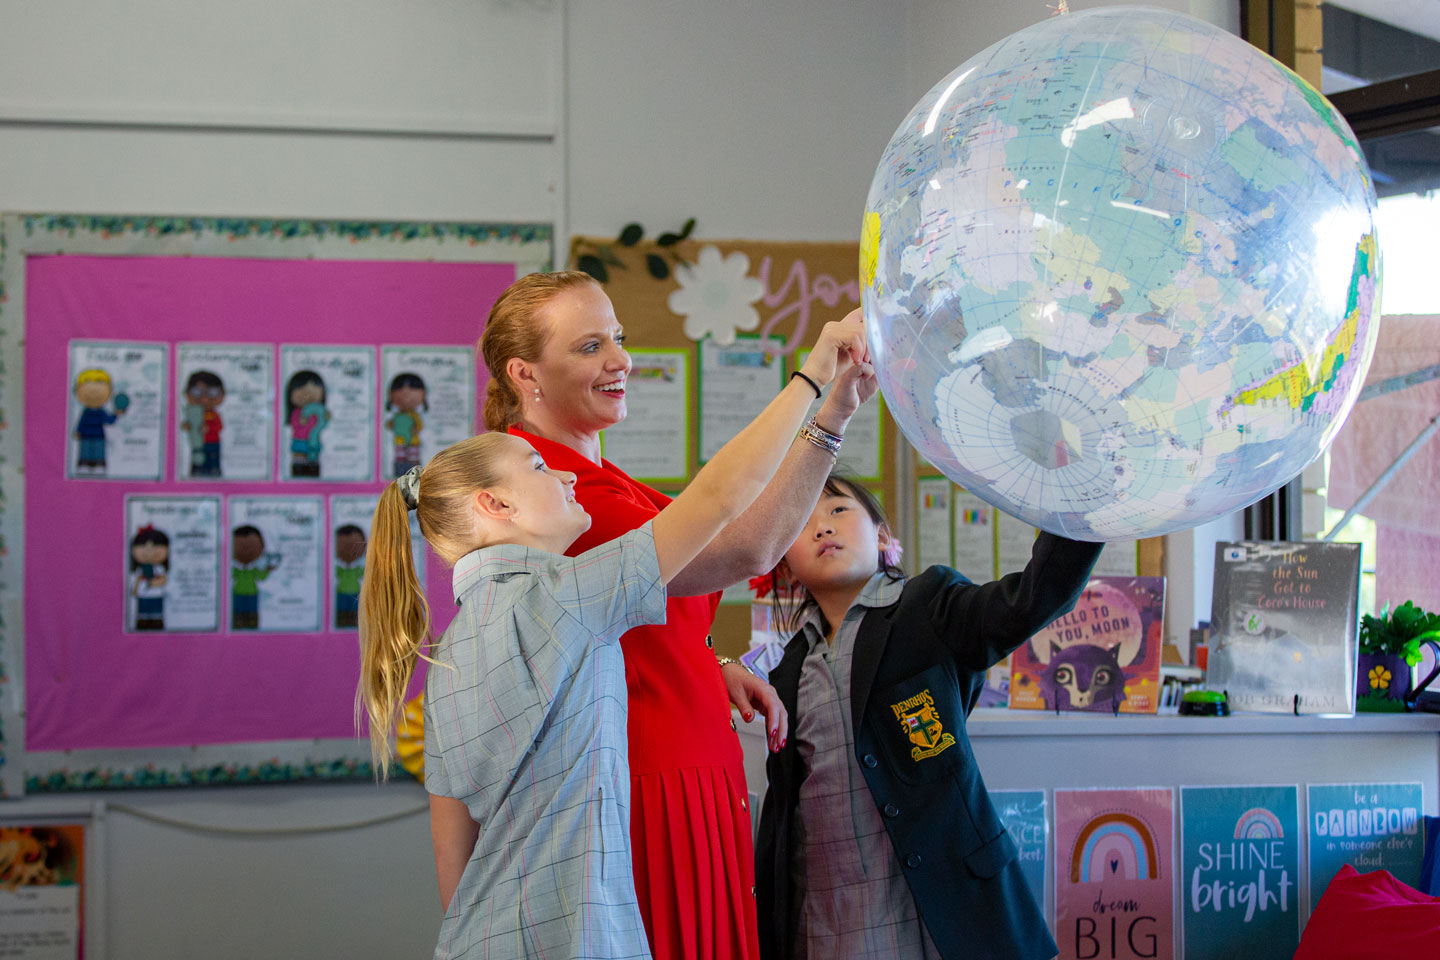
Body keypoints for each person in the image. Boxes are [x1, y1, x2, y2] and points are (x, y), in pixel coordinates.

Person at [357, 318, 867, 959]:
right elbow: (721, 504)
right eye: (541, 468)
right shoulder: (562, 597)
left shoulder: (452, 648)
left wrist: (706, 659)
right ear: (496, 506)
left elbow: (452, 837)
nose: (566, 478)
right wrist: (816, 379)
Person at [753, 474, 1102, 959]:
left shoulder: (928, 608)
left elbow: (1029, 600)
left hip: (942, 914)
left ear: (881, 538)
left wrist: (1083, 499)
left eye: (837, 510)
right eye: (802, 523)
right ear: (786, 566)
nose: (821, 528)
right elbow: (786, 815)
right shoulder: (788, 669)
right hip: (829, 920)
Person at [386, 372, 428, 478]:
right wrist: (392, 425)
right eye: (399, 389)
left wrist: (416, 429)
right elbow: (390, 424)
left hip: (413, 441)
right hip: (399, 441)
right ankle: (400, 472)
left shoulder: (414, 416)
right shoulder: (398, 416)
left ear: (423, 394)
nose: (406, 394)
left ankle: (413, 474)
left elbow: (419, 425)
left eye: (413, 388)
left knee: (413, 456)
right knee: (400, 456)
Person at [129, 525, 169, 630]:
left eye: (155, 546)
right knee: (143, 618)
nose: (150, 551)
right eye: (144, 546)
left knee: (156, 618)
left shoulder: (159, 568)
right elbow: (136, 582)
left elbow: (163, 580)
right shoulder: (140, 569)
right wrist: (135, 590)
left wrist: (151, 583)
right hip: (143, 598)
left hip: (156, 597)